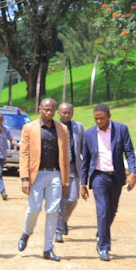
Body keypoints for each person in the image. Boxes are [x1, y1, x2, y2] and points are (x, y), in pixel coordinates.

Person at [80, 103, 136, 261]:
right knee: (103, 210)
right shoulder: (89, 134)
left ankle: (101, 232)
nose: (98, 121)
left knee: (112, 210)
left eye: (102, 118)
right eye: (96, 119)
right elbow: (85, 161)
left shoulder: (121, 129)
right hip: (99, 176)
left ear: (109, 116)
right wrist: (82, 183)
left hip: (116, 176)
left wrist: (133, 172)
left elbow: (129, 152)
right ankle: (104, 247)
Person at [17, 98, 70, 261]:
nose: (48, 112)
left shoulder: (62, 129)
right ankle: (27, 232)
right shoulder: (29, 128)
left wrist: (65, 181)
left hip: (55, 174)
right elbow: (24, 153)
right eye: (45, 109)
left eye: (51, 109)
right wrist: (24, 178)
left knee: (53, 211)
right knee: (34, 208)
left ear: (55, 111)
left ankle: (48, 248)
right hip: (36, 175)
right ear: (40, 109)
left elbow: (65, 157)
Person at [56, 102, 84, 243]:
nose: (66, 115)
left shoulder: (78, 127)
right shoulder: (54, 126)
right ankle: (59, 230)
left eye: (69, 112)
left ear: (72, 113)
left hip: (74, 167)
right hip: (58, 168)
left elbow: (83, 147)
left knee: (73, 199)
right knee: (61, 201)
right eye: (63, 112)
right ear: (58, 113)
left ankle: (63, 220)